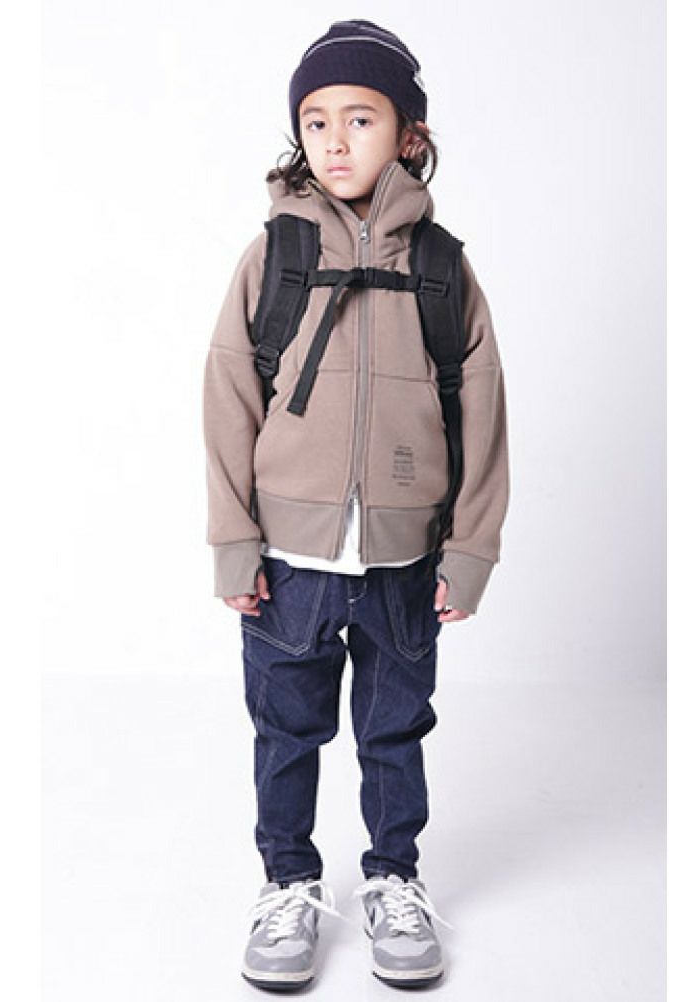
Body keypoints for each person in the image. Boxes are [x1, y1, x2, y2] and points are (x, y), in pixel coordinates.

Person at [202, 19, 509, 991]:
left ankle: (393, 879)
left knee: (393, 734)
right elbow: (227, 398)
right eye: (316, 120)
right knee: (285, 733)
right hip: (287, 564)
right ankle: (288, 884)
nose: (335, 140)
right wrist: (233, 541)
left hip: (403, 564)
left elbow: (484, 413)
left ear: (409, 135)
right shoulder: (275, 256)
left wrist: (470, 550)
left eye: (361, 118)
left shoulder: (443, 268)